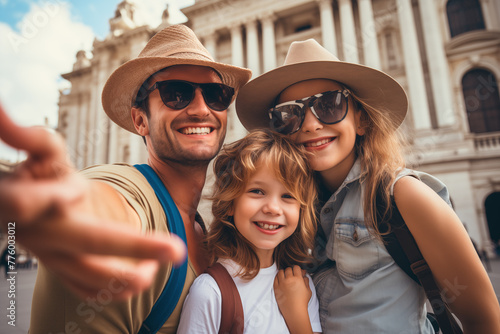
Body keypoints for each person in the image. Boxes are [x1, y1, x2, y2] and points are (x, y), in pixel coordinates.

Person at [235, 39, 500, 333]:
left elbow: (484, 319)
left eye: (328, 104)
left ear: (361, 120)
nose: (310, 124)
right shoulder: (287, 208)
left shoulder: (403, 195)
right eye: (289, 114)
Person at [0, 24, 251, 333]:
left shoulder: (206, 229)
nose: (201, 109)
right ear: (140, 120)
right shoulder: (128, 189)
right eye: (176, 94)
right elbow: (109, 202)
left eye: (216, 95)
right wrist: (72, 211)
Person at [177, 129, 322, 334]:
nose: (273, 208)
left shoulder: (301, 285)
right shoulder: (210, 292)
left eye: (288, 195)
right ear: (230, 203)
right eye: (257, 191)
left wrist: (297, 314)